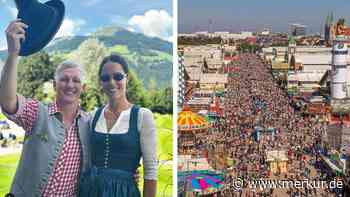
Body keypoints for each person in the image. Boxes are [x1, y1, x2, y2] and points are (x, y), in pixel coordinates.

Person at [0, 20, 91, 197]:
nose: (70, 85)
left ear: (84, 88)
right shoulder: (37, 112)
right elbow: (8, 101)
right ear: (55, 85)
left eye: (76, 80)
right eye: (64, 79)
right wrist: (13, 53)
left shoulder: (89, 124)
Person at [79, 54, 157, 197]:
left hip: (124, 192)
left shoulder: (142, 116)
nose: (112, 82)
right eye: (105, 78)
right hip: (91, 191)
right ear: (100, 83)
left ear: (127, 78)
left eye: (118, 76)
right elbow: (86, 160)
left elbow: (151, 170)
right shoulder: (92, 117)